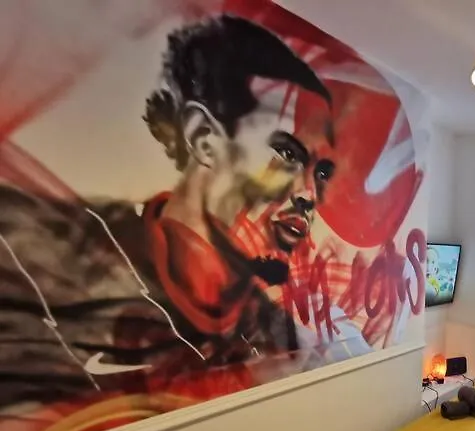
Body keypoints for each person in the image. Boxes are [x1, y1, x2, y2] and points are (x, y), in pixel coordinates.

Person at [0, 15, 337, 411]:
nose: (309, 194)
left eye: (321, 172)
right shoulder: (47, 258)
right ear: (203, 138)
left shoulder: (276, 333)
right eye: (286, 152)